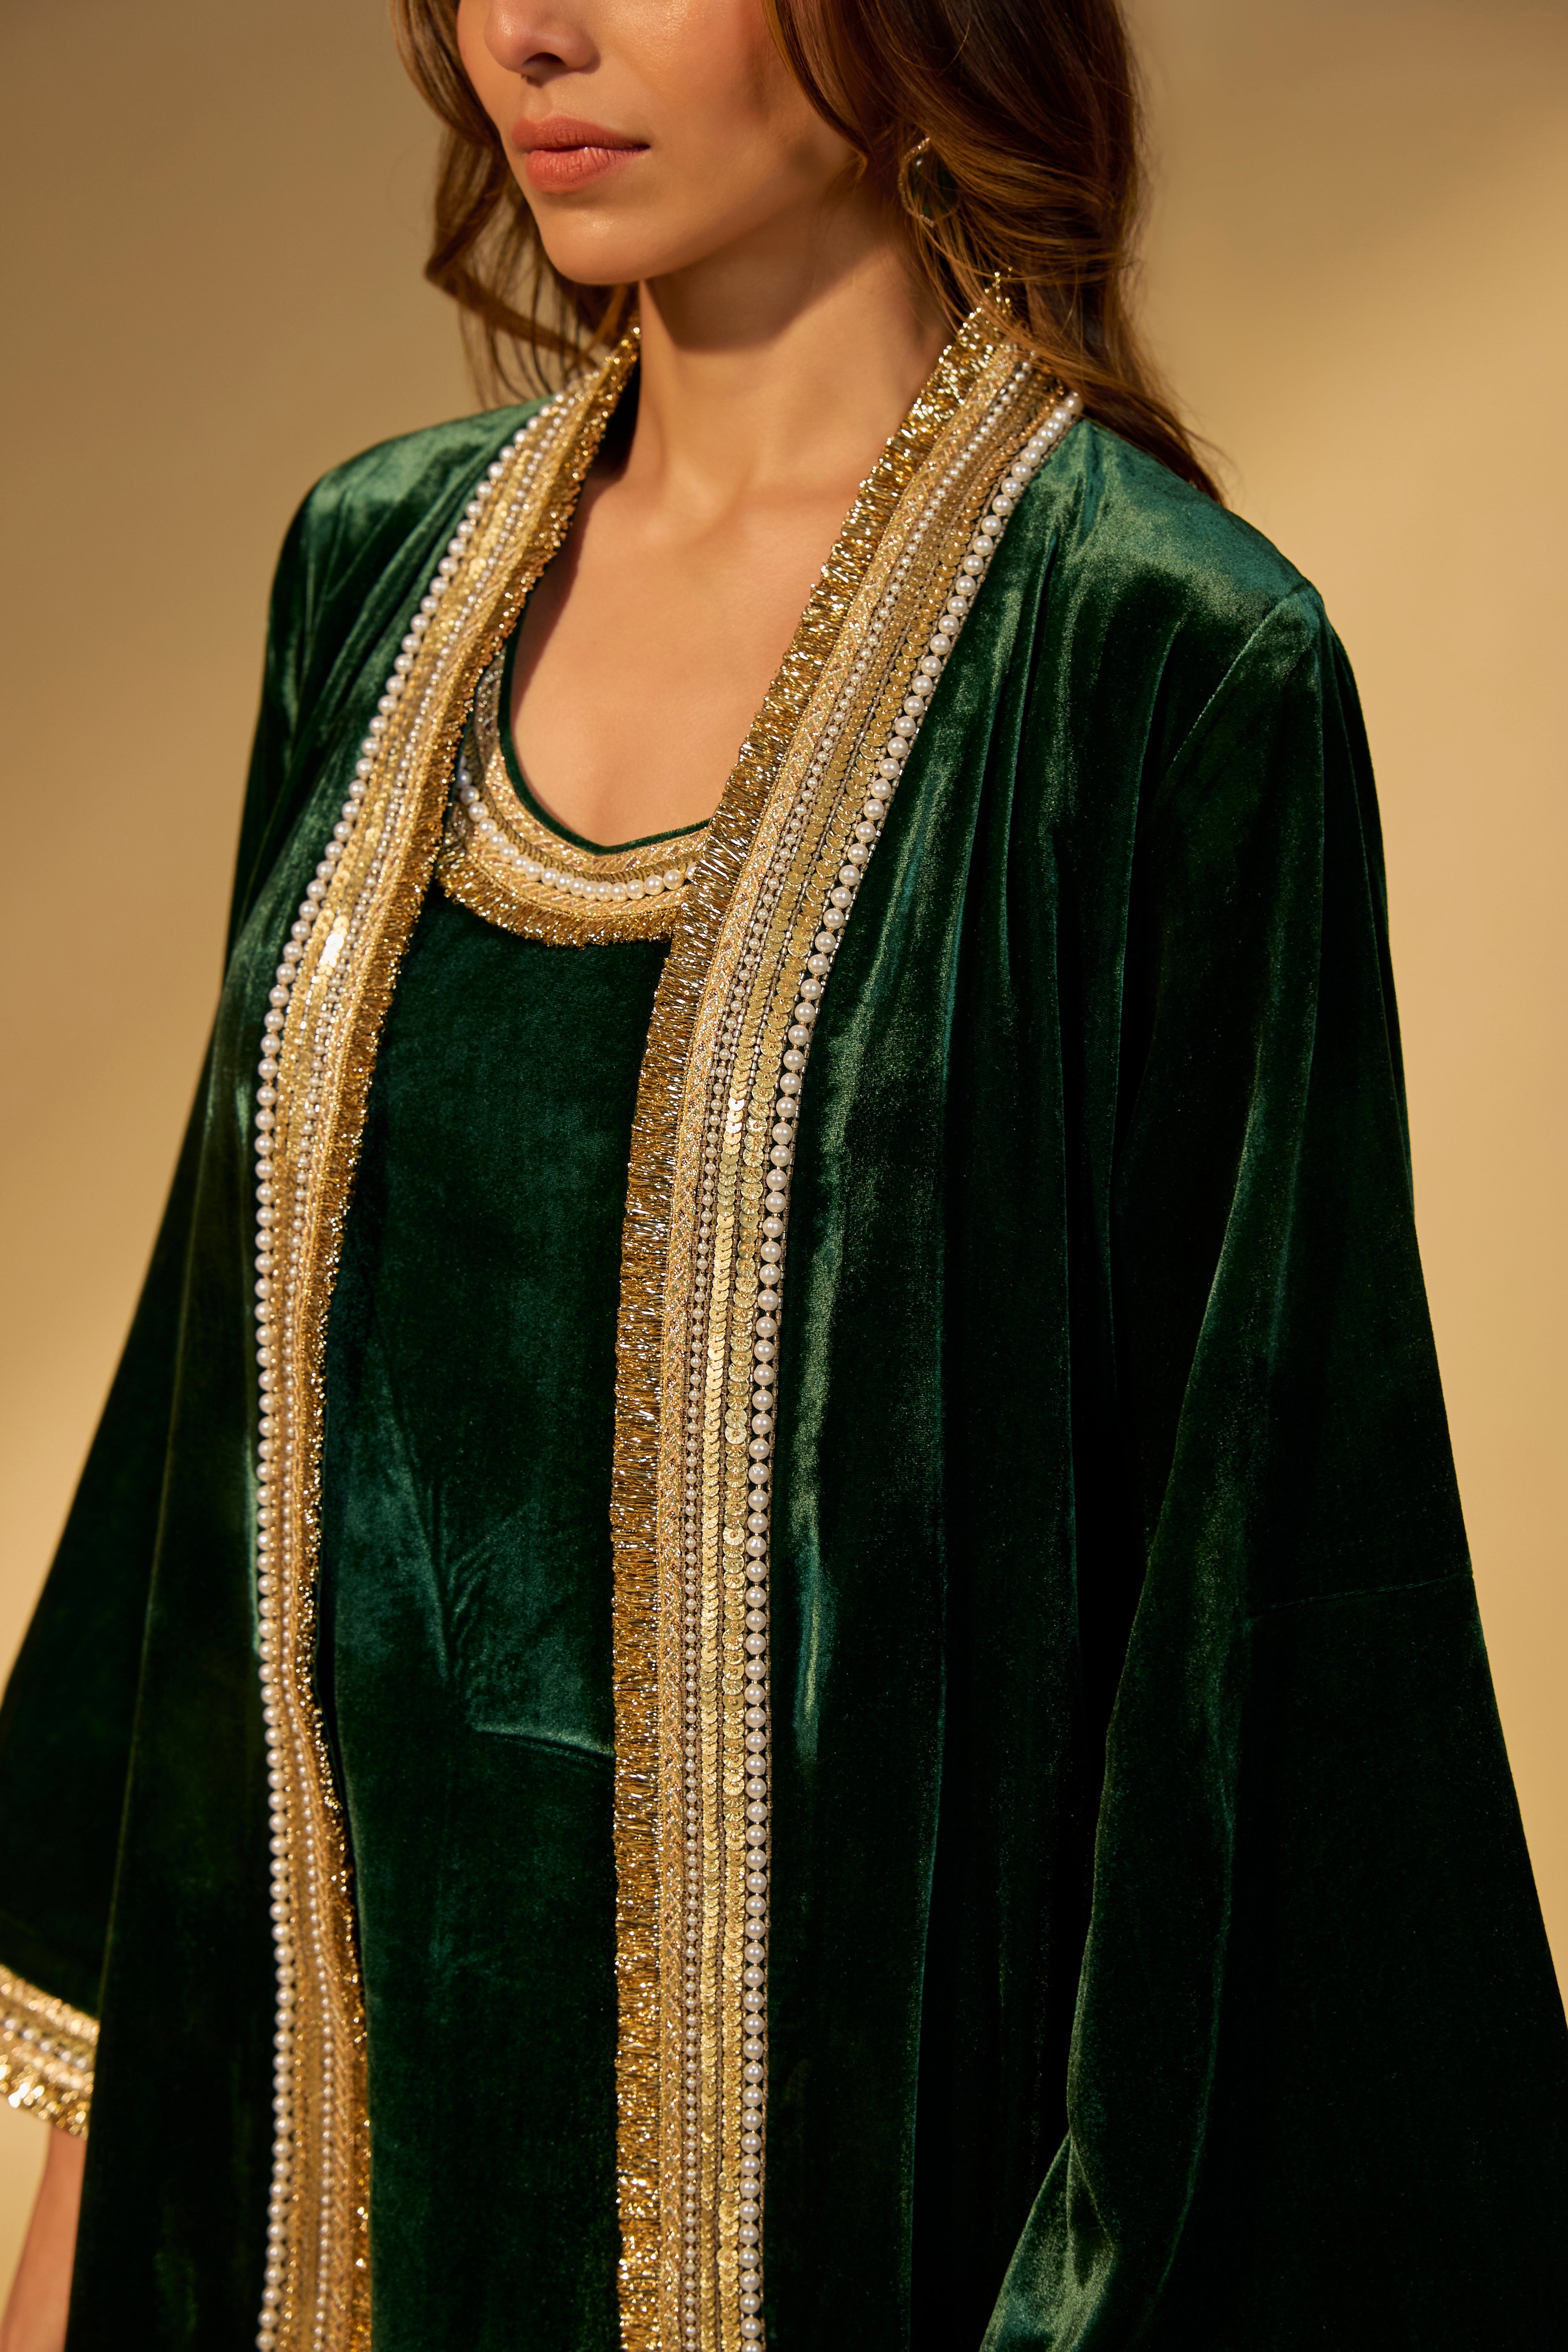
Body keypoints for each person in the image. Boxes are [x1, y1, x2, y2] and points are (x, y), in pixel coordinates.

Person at [3, 0, 1566, 2344]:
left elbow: (1262, 1656)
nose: (532, 29)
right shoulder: (373, 577)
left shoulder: (1157, 670)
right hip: (316, 2226)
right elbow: (206, 1452)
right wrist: (84, 2203)